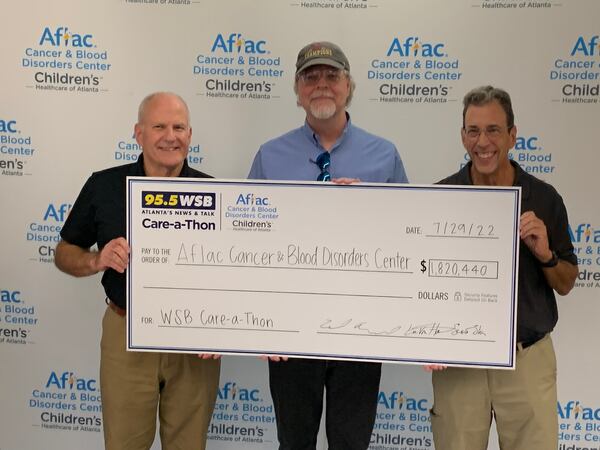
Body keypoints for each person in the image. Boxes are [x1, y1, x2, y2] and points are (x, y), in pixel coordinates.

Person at [248, 41, 408, 450]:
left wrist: (367, 212)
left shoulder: (384, 155)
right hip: (290, 330)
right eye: (310, 76)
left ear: (348, 86)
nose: (321, 84)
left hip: (361, 326)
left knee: (351, 443)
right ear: (297, 90)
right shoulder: (270, 156)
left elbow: (406, 237)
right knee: (294, 442)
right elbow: (248, 242)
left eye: (331, 76)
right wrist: (264, 323)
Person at [55, 92, 220, 450]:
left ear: (190, 135)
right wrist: (97, 260)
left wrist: (221, 327)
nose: (170, 136)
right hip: (125, 330)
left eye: (179, 127)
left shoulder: (214, 192)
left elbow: (233, 274)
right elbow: (64, 252)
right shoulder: (105, 186)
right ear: (138, 133)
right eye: (159, 126)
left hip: (193, 342)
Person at [427, 86, 578, 450]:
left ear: (512, 134)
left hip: (526, 359)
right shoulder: (439, 198)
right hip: (461, 366)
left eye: (494, 130)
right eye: (473, 131)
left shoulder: (545, 197)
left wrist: (545, 254)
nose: (483, 141)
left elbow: (567, 282)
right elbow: (421, 283)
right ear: (463, 136)